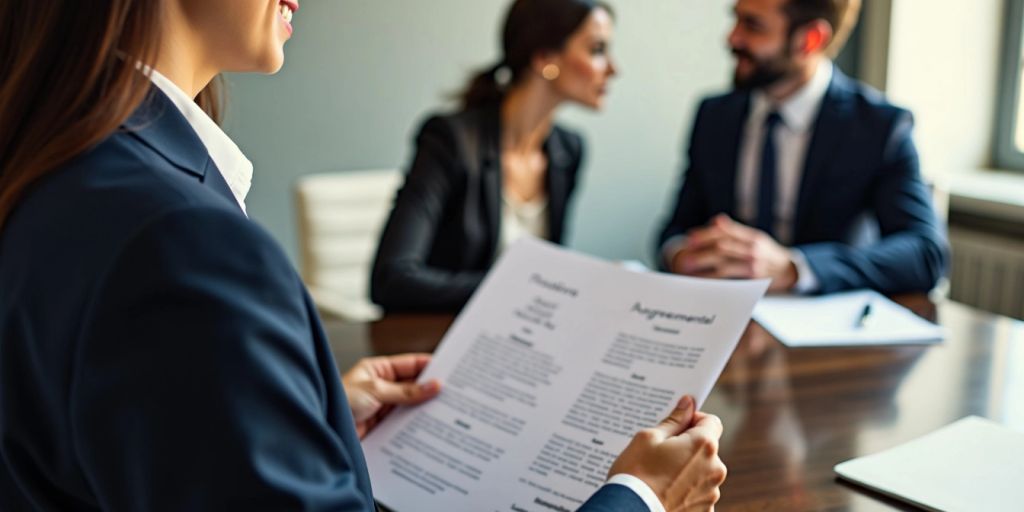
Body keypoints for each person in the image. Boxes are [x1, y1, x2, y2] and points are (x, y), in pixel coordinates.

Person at [0, 1, 725, 510]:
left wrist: (307, 416)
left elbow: (130, 432)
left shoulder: (57, 168)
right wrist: (639, 499)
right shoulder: (182, 241)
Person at [656, 0, 948, 295]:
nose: (732, 38)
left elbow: (925, 253)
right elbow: (676, 228)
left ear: (810, 40)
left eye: (753, 26)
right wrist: (682, 255)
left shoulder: (879, 126)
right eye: (736, 20)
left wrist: (793, 268)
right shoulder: (715, 116)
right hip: (723, 315)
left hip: (828, 325)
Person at [371, 0, 617, 312]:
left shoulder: (568, 151)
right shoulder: (450, 140)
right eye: (597, 50)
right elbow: (391, 279)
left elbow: (550, 267)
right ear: (544, 58)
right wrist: (521, 286)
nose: (613, 69)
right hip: (439, 340)